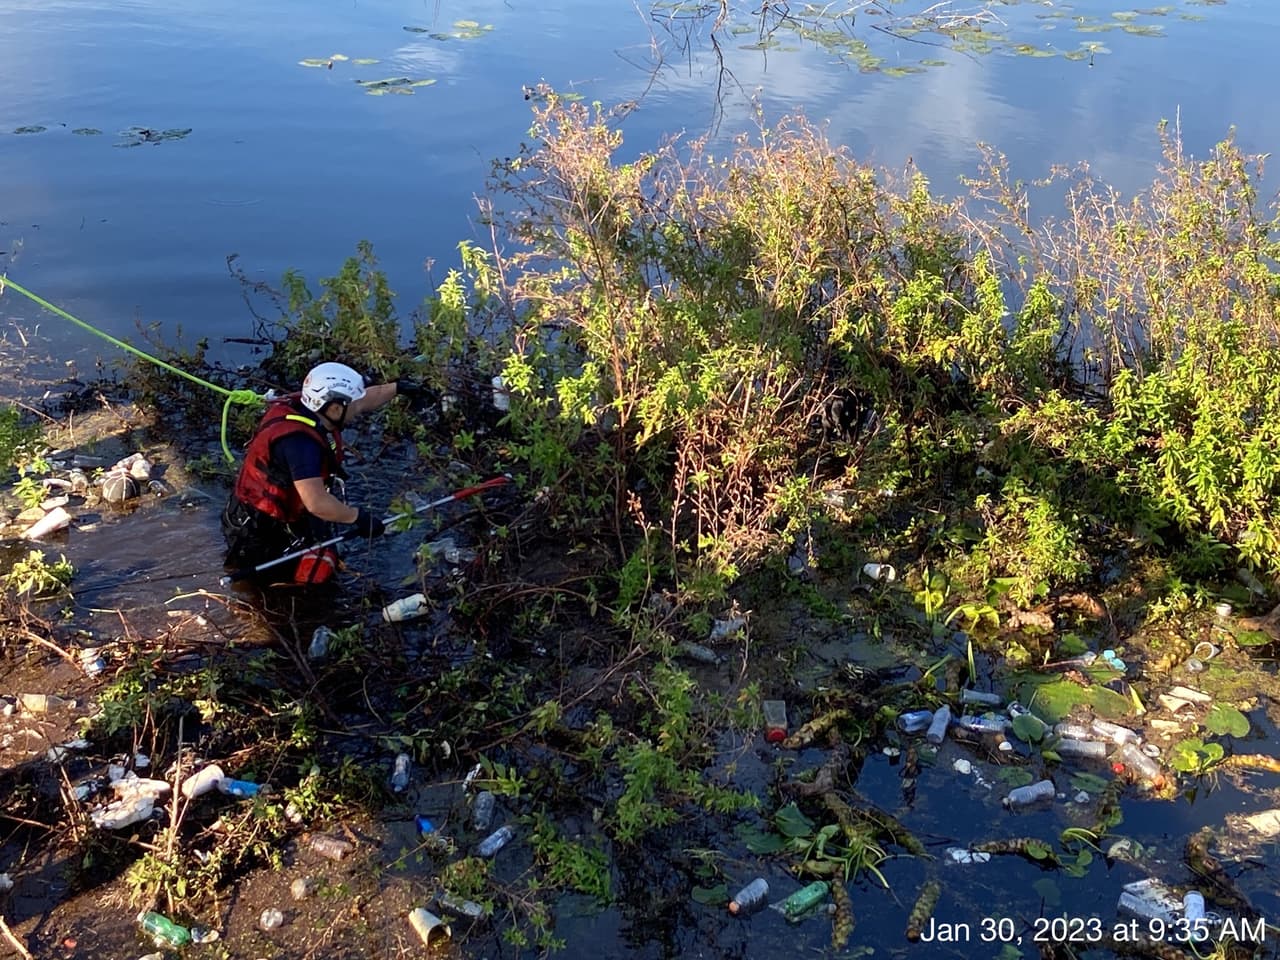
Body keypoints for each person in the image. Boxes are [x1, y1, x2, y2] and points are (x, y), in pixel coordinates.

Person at [222, 361, 429, 585]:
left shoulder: (309, 406)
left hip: (287, 510)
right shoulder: (300, 444)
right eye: (351, 405)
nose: (357, 410)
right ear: (335, 408)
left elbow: (363, 400)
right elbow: (317, 503)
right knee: (280, 585)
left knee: (323, 556)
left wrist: (399, 388)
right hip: (260, 528)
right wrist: (358, 518)